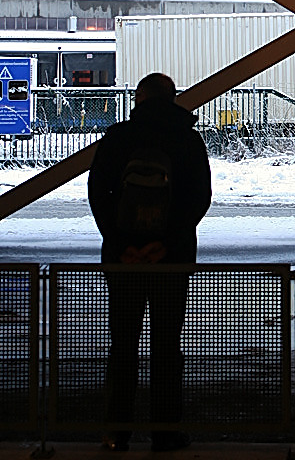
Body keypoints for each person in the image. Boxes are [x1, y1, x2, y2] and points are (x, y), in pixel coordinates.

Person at [88, 73, 212, 453]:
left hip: (123, 261)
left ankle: (117, 432)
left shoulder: (118, 137)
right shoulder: (187, 139)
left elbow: (98, 193)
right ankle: (164, 431)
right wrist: (166, 244)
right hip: (170, 262)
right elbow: (199, 198)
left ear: (139, 99)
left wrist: (121, 243)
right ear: (172, 99)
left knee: (123, 344)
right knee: (166, 345)